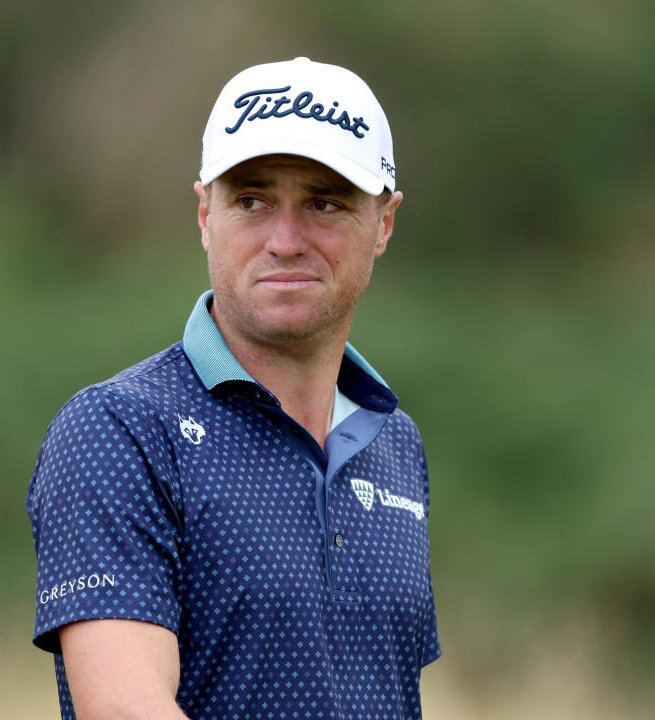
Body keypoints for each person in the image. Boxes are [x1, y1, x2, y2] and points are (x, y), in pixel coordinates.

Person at [27, 57, 440, 720]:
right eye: (251, 200)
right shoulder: (121, 430)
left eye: (325, 203)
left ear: (385, 223)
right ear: (204, 215)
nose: (285, 240)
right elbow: (126, 709)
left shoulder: (396, 444)